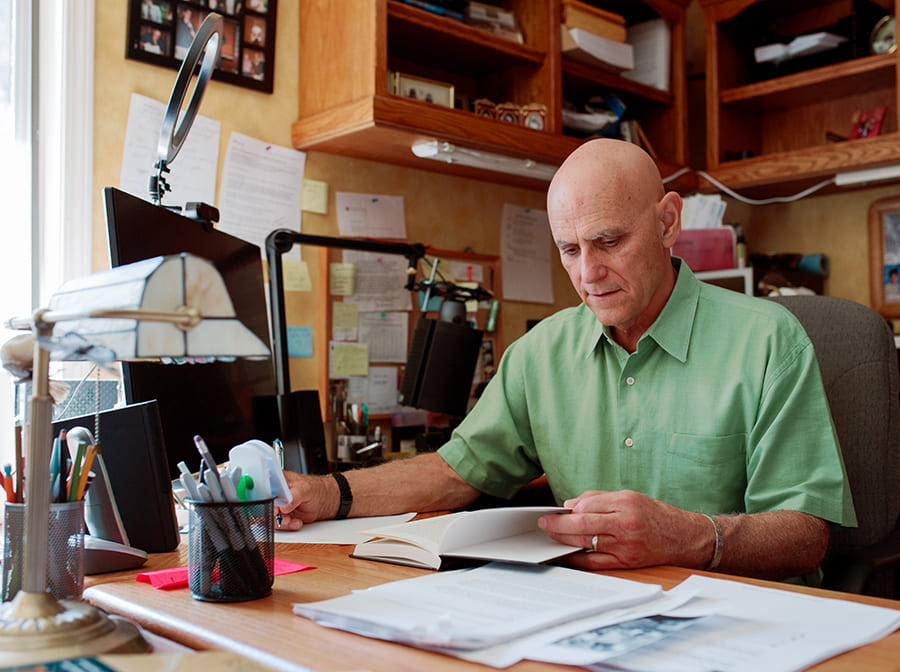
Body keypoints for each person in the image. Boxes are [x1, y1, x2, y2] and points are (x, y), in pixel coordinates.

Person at [278, 138, 856, 581]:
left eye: (608, 242)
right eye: (570, 250)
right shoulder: (539, 354)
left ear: (667, 222)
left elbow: (807, 535)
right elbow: (457, 472)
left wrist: (692, 536)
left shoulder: (766, 340)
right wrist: (329, 493)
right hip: (586, 612)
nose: (587, 274)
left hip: (741, 615)